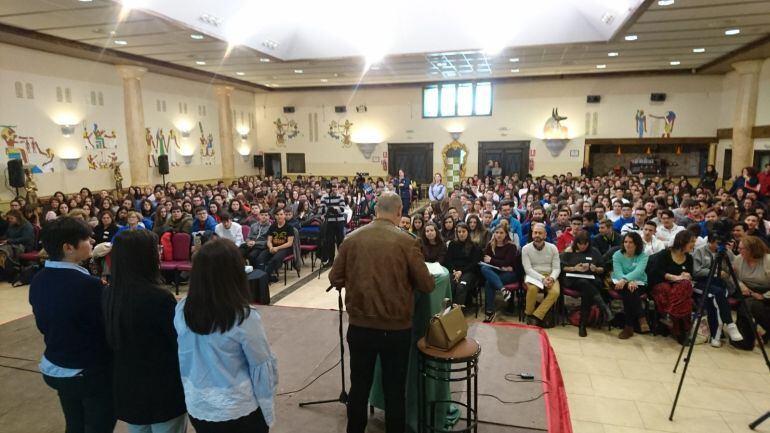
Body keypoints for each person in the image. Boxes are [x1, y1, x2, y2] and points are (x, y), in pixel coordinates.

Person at [329, 191, 434, 433]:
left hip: (360, 327)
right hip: (396, 329)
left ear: (376, 210)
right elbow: (427, 285)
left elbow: (335, 277)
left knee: (359, 387)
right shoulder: (407, 242)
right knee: (394, 390)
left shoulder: (352, 238)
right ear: (399, 212)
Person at [175, 239, 278, 433]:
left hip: (198, 405)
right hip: (237, 409)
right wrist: (267, 410)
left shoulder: (182, 308)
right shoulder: (244, 316)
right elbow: (261, 368)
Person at [29, 217, 116, 433]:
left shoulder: (39, 279)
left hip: (55, 365)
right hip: (86, 372)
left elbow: (43, 324)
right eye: (86, 238)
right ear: (68, 247)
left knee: (75, 423)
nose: (92, 241)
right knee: (98, 425)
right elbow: (107, 330)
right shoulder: (89, 286)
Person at [103, 230, 187, 433]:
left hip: (128, 384)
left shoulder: (108, 293)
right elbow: (178, 342)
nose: (159, 252)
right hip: (162, 387)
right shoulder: (158, 298)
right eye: (155, 249)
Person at [692, 233, 744, 347]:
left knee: (716, 301)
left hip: (721, 284)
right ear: (710, 241)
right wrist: (716, 273)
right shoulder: (700, 251)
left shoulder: (725, 252)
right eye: (717, 243)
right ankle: (729, 325)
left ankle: (717, 335)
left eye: (722, 243)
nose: (720, 246)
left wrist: (729, 267)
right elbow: (696, 271)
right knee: (717, 296)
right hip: (703, 282)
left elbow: (735, 265)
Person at [560, 231, 613, 337]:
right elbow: (561, 267)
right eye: (580, 244)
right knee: (585, 284)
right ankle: (603, 307)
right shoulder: (570, 251)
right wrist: (574, 268)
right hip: (572, 279)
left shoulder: (594, 251)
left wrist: (595, 268)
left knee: (586, 290)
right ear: (576, 243)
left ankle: (582, 324)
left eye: (585, 244)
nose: (583, 246)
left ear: (589, 243)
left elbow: (603, 268)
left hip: (590, 279)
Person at [648, 230, 696, 344]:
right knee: (670, 291)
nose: (694, 244)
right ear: (682, 241)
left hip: (678, 288)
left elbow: (690, 275)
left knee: (684, 286)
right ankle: (680, 331)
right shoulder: (664, 254)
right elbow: (656, 272)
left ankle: (669, 316)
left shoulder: (689, 258)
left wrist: (687, 276)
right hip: (660, 284)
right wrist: (675, 277)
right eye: (692, 241)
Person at [611, 232, 650, 339]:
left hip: (639, 283)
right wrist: (627, 281)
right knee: (629, 291)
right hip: (620, 282)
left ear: (637, 244)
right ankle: (641, 317)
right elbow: (618, 272)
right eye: (625, 242)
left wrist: (627, 280)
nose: (627, 244)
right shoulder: (617, 255)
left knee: (630, 292)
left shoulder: (643, 256)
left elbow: (639, 271)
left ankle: (628, 327)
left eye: (631, 242)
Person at [733, 236, 770, 347]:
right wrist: (742, 287)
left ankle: (762, 329)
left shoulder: (768, 260)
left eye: (742, 249)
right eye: (738, 248)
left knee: (750, 305)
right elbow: (735, 278)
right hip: (746, 291)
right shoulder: (738, 259)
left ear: (752, 249)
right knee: (748, 303)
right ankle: (756, 332)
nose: (739, 251)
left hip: (766, 292)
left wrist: (764, 296)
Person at [521, 223, 561, 327]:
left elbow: (556, 268)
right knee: (533, 289)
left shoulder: (553, 248)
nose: (537, 235)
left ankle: (536, 316)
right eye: (535, 233)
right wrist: (542, 279)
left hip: (550, 275)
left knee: (555, 292)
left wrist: (551, 278)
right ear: (532, 234)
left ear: (545, 235)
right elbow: (528, 269)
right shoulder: (525, 249)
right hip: (533, 275)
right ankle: (528, 313)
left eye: (540, 233)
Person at [481, 226, 518, 322]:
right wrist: (500, 264)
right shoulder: (490, 245)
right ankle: (503, 290)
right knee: (484, 268)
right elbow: (485, 260)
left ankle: (489, 312)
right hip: (494, 271)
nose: (498, 235)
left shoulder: (511, 246)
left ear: (506, 234)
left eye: (501, 233)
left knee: (489, 283)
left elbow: (507, 262)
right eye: (496, 232)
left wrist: (492, 260)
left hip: (510, 274)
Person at [443, 222, 481, 306]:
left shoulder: (474, 246)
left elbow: (474, 264)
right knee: (449, 285)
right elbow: (448, 260)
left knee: (461, 286)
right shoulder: (452, 244)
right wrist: (454, 271)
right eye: (459, 232)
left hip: (468, 272)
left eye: (463, 231)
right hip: (454, 271)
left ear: (468, 232)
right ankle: (448, 310)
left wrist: (461, 272)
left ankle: (458, 312)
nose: (461, 234)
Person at [255, 208, 294, 282]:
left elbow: (289, 243)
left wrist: (277, 248)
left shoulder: (289, 227)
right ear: (275, 216)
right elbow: (269, 240)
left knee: (275, 260)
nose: (279, 216)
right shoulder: (272, 226)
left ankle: (265, 278)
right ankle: (264, 277)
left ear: (284, 215)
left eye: (281, 214)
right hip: (273, 247)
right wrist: (270, 247)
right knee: (260, 258)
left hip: (285, 248)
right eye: (277, 215)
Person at [319, 184, 346, 266]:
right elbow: (321, 210)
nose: (334, 191)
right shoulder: (324, 197)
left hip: (339, 222)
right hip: (329, 222)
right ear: (329, 190)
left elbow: (342, 209)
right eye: (332, 189)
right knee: (329, 241)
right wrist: (329, 209)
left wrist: (333, 209)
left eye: (335, 189)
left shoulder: (340, 196)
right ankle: (331, 260)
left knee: (340, 241)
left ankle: (342, 260)